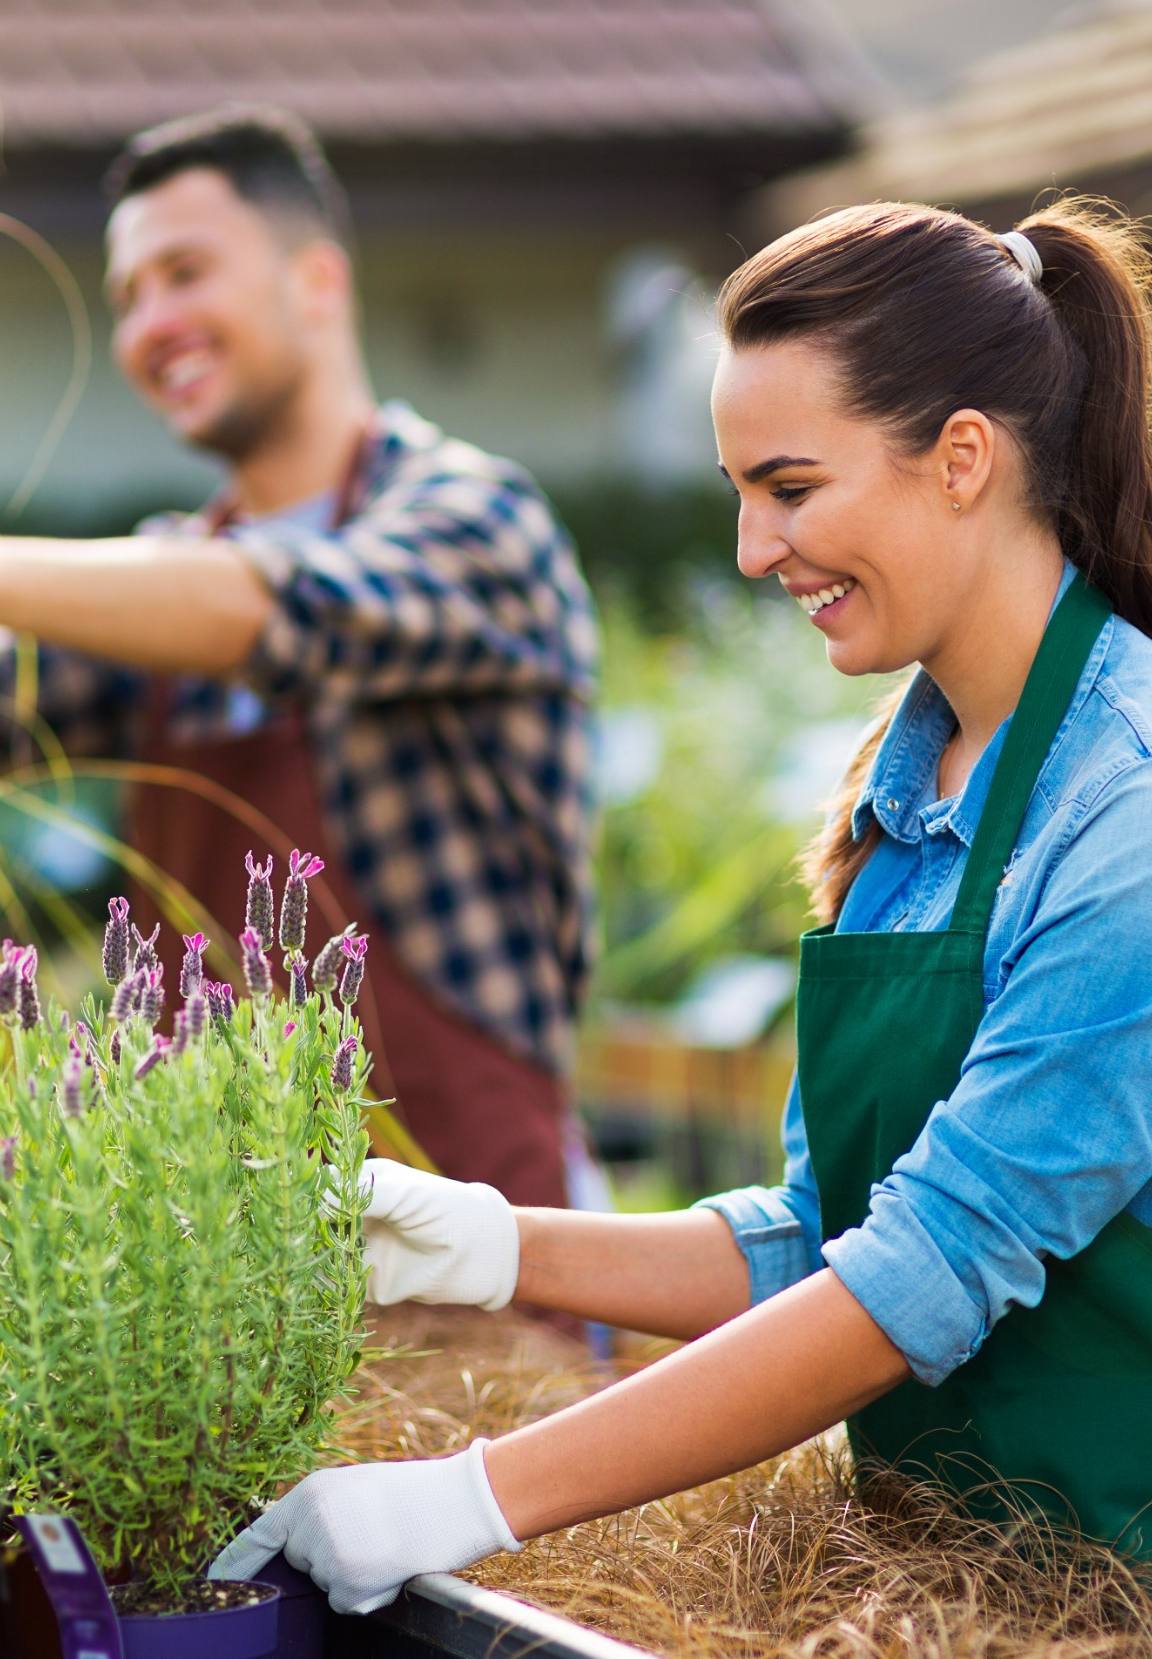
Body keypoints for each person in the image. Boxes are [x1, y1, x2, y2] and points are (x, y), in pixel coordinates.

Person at [212, 195, 1152, 1613]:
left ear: (963, 458)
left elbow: (921, 1272)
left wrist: (471, 1495)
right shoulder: (905, 789)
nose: (750, 549)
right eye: (736, 491)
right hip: (957, 1584)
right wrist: (497, 1239)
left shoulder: (1126, 804)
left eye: (789, 486)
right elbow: (820, 1236)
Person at [0, 107, 599, 1208]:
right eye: (128, 296)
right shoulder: (152, 600)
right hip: (224, 1257)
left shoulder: (477, 520)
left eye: (184, 272)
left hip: (485, 1245)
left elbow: (290, 607)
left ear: (317, 282)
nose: (149, 323)